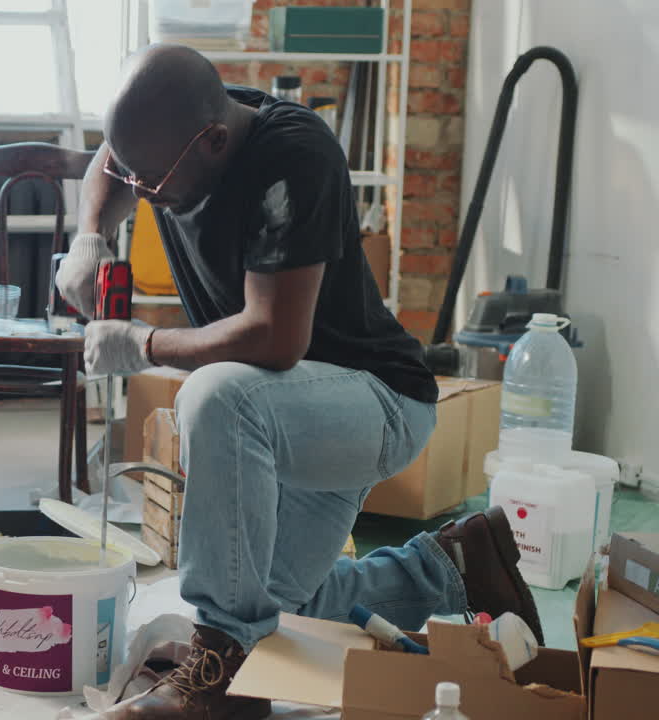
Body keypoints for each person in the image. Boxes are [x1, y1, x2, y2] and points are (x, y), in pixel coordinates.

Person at [56, 45, 543, 719]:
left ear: (215, 142)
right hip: (285, 409)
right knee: (270, 605)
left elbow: (273, 340)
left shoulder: (294, 159)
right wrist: (89, 237)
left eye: (153, 182)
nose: (142, 193)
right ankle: (452, 567)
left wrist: (143, 343)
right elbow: (112, 162)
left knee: (214, 395)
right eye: (134, 177)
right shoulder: (178, 132)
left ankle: (221, 677)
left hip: (372, 400)